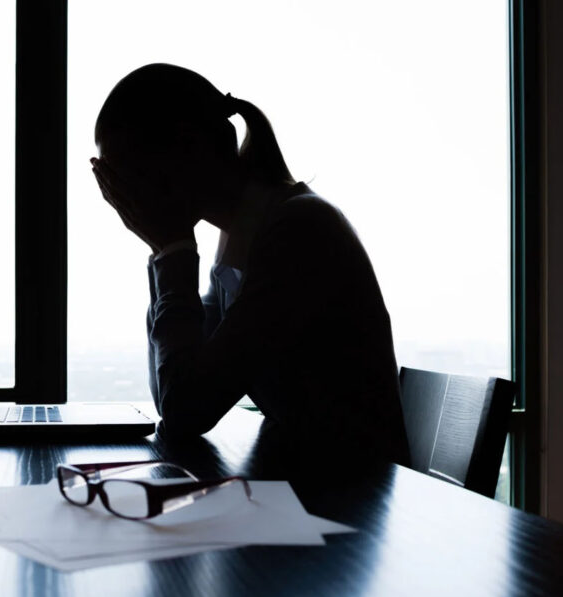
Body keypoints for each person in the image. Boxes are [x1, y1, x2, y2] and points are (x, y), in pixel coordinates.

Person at [91, 63, 408, 465]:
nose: (126, 201)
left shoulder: (298, 229)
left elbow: (187, 409)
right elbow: (173, 394)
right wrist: (164, 252)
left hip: (355, 498)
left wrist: (171, 250)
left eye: (125, 179)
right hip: (319, 483)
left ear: (187, 147)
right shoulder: (243, 234)